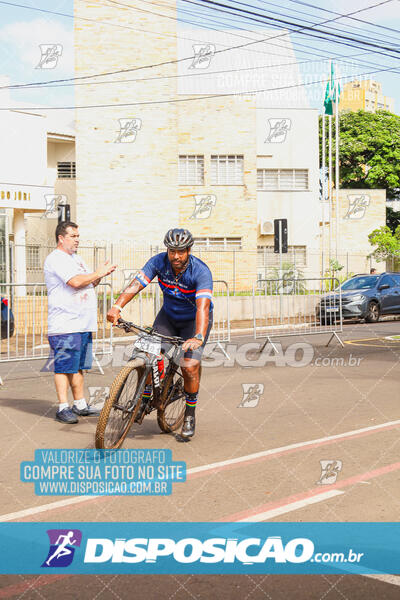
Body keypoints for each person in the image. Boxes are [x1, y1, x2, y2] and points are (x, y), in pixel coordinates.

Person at [107, 228, 213, 439]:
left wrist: (198, 336)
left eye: (180, 251)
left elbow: (202, 307)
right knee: (148, 354)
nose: (175, 256)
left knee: (190, 367)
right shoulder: (158, 262)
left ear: (188, 250)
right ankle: (146, 396)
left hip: (193, 323)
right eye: (172, 251)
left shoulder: (201, 272)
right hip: (168, 318)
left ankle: (190, 413)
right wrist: (117, 307)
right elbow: (136, 284)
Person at [44, 221, 116, 424]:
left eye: (78, 236)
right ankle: (62, 407)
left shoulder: (77, 259)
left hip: (83, 324)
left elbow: (89, 281)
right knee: (64, 367)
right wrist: (97, 273)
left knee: (78, 367)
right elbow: (75, 282)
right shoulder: (56, 259)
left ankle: (80, 404)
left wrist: (100, 274)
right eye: (73, 236)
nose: (77, 240)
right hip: (65, 325)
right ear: (61, 238)